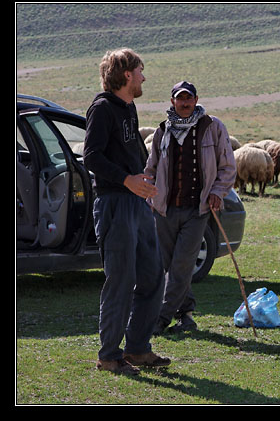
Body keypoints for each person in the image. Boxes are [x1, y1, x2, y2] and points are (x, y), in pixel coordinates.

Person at [84, 48, 171, 376]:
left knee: (152, 276)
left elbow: (133, 153)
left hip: (137, 204)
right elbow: (90, 157)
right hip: (115, 205)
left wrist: (146, 180)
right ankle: (109, 356)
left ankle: (137, 349)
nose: (144, 76)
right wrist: (126, 180)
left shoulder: (128, 108)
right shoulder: (102, 109)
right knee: (121, 280)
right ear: (125, 75)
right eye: (140, 70)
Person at [145, 81, 237, 335]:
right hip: (165, 208)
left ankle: (160, 319)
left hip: (197, 210)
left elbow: (228, 166)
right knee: (168, 265)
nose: (185, 103)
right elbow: (151, 168)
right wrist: (149, 194)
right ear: (172, 101)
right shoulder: (163, 130)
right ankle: (186, 315)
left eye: (189, 98)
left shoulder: (212, 127)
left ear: (196, 100)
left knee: (182, 265)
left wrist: (218, 191)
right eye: (180, 98)